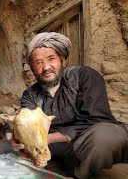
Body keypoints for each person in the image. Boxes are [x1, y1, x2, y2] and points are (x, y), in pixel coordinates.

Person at [12, 32, 128, 179]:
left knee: (108, 135)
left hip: (87, 142)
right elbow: (27, 126)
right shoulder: (30, 95)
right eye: (38, 62)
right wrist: (20, 140)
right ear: (33, 68)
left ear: (62, 59)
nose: (46, 67)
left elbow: (97, 119)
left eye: (51, 59)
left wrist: (48, 138)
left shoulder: (84, 76)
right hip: (54, 149)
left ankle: (81, 174)